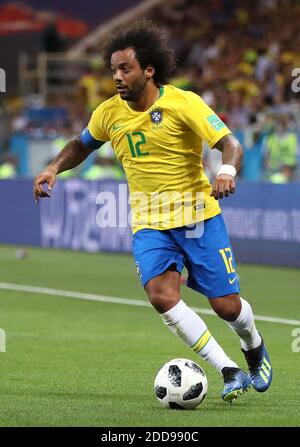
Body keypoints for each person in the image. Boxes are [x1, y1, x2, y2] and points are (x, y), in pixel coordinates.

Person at [33, 20, 272, 403]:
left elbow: (230, 144)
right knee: (162, 296)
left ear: (149, 69)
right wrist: (51, 167)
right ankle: (228, 369)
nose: (117, 77)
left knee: (227, 307)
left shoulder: (184, 103)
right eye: (113, 70)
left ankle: (254, 345)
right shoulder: (108, 113)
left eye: (125, 68)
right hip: (150, 224)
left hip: (198, 218)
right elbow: (81, 145)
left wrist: (226, 171)